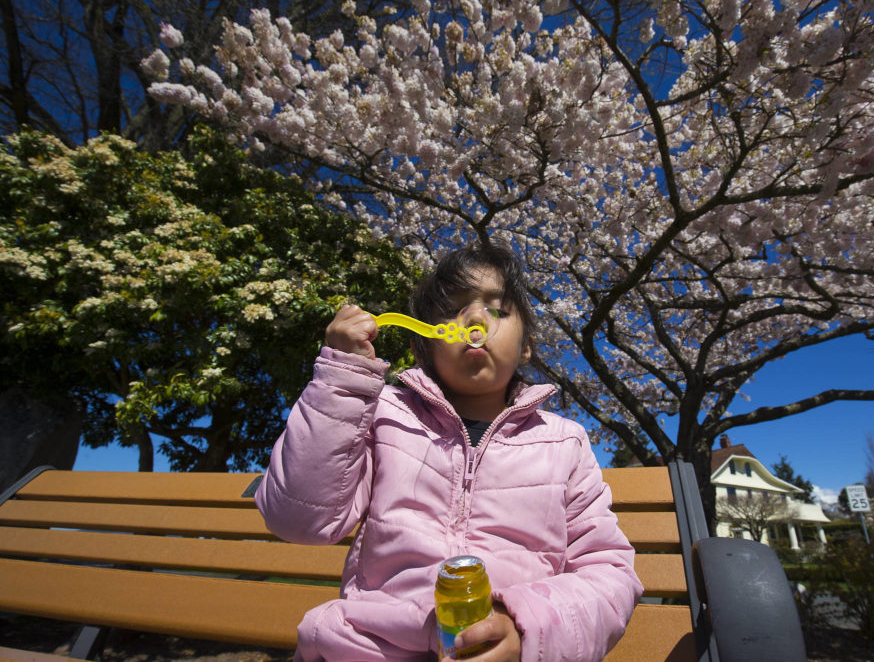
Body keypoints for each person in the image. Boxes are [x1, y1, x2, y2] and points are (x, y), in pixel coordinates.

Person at [255, 242, 642, 661]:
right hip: (369, 647)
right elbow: (298, 519)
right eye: (453, 309)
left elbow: (608, 572)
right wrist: (341, 380)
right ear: (426, 343)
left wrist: (531, 631)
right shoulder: (382, 414)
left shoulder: (564, 441)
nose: (475, 319)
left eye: (497, 309)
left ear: (526, 346)